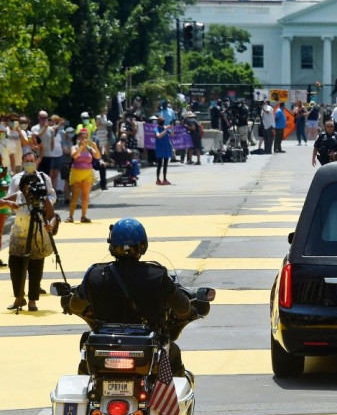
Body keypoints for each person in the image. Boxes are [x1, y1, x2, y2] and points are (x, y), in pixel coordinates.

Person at [65, 218, 196, 376]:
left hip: (105, 345)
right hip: (147, 346)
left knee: (86, 350)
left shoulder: (95, 275)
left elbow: (76, 306)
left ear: (112, 245)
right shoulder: (157, 275)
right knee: (173, 352)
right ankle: (171, 400)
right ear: (143, 245)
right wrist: (190, 309)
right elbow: (182, 308)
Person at [3, 152, 57, 311]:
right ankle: (19, 298)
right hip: (19, 233)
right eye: (26, 161)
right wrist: (8, 203)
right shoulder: (18, 190)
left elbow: (52, 214)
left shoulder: (43, 183)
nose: (30, 189)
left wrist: (50, 224)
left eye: (32, 161)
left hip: (37, 234)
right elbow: (5, 200)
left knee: (35, 266)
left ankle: (32, 300)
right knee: (15, 265)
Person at [66, 129, 101, 223]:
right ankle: (70, 216)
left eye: (86, 137)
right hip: (76, 172)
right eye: (82, 137)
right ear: (79, 138)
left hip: (87, 173)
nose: (84, 139)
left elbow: (97, 156)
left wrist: (95, 146)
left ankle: (83, 216)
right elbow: (74, 156)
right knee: (75, 195)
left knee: (85, 196)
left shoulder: (90, 148)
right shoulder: (75, 147)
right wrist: (81, 147)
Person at [154, 117, 173, 185]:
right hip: (159, 148)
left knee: (165, 164)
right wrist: (165, 130)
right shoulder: (156, 129)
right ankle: (158, 179)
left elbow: (172, 134)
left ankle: (164, 179)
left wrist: (172, 127)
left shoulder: (165, 128)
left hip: (166, 148)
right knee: (159, 164)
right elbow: (158, 136)